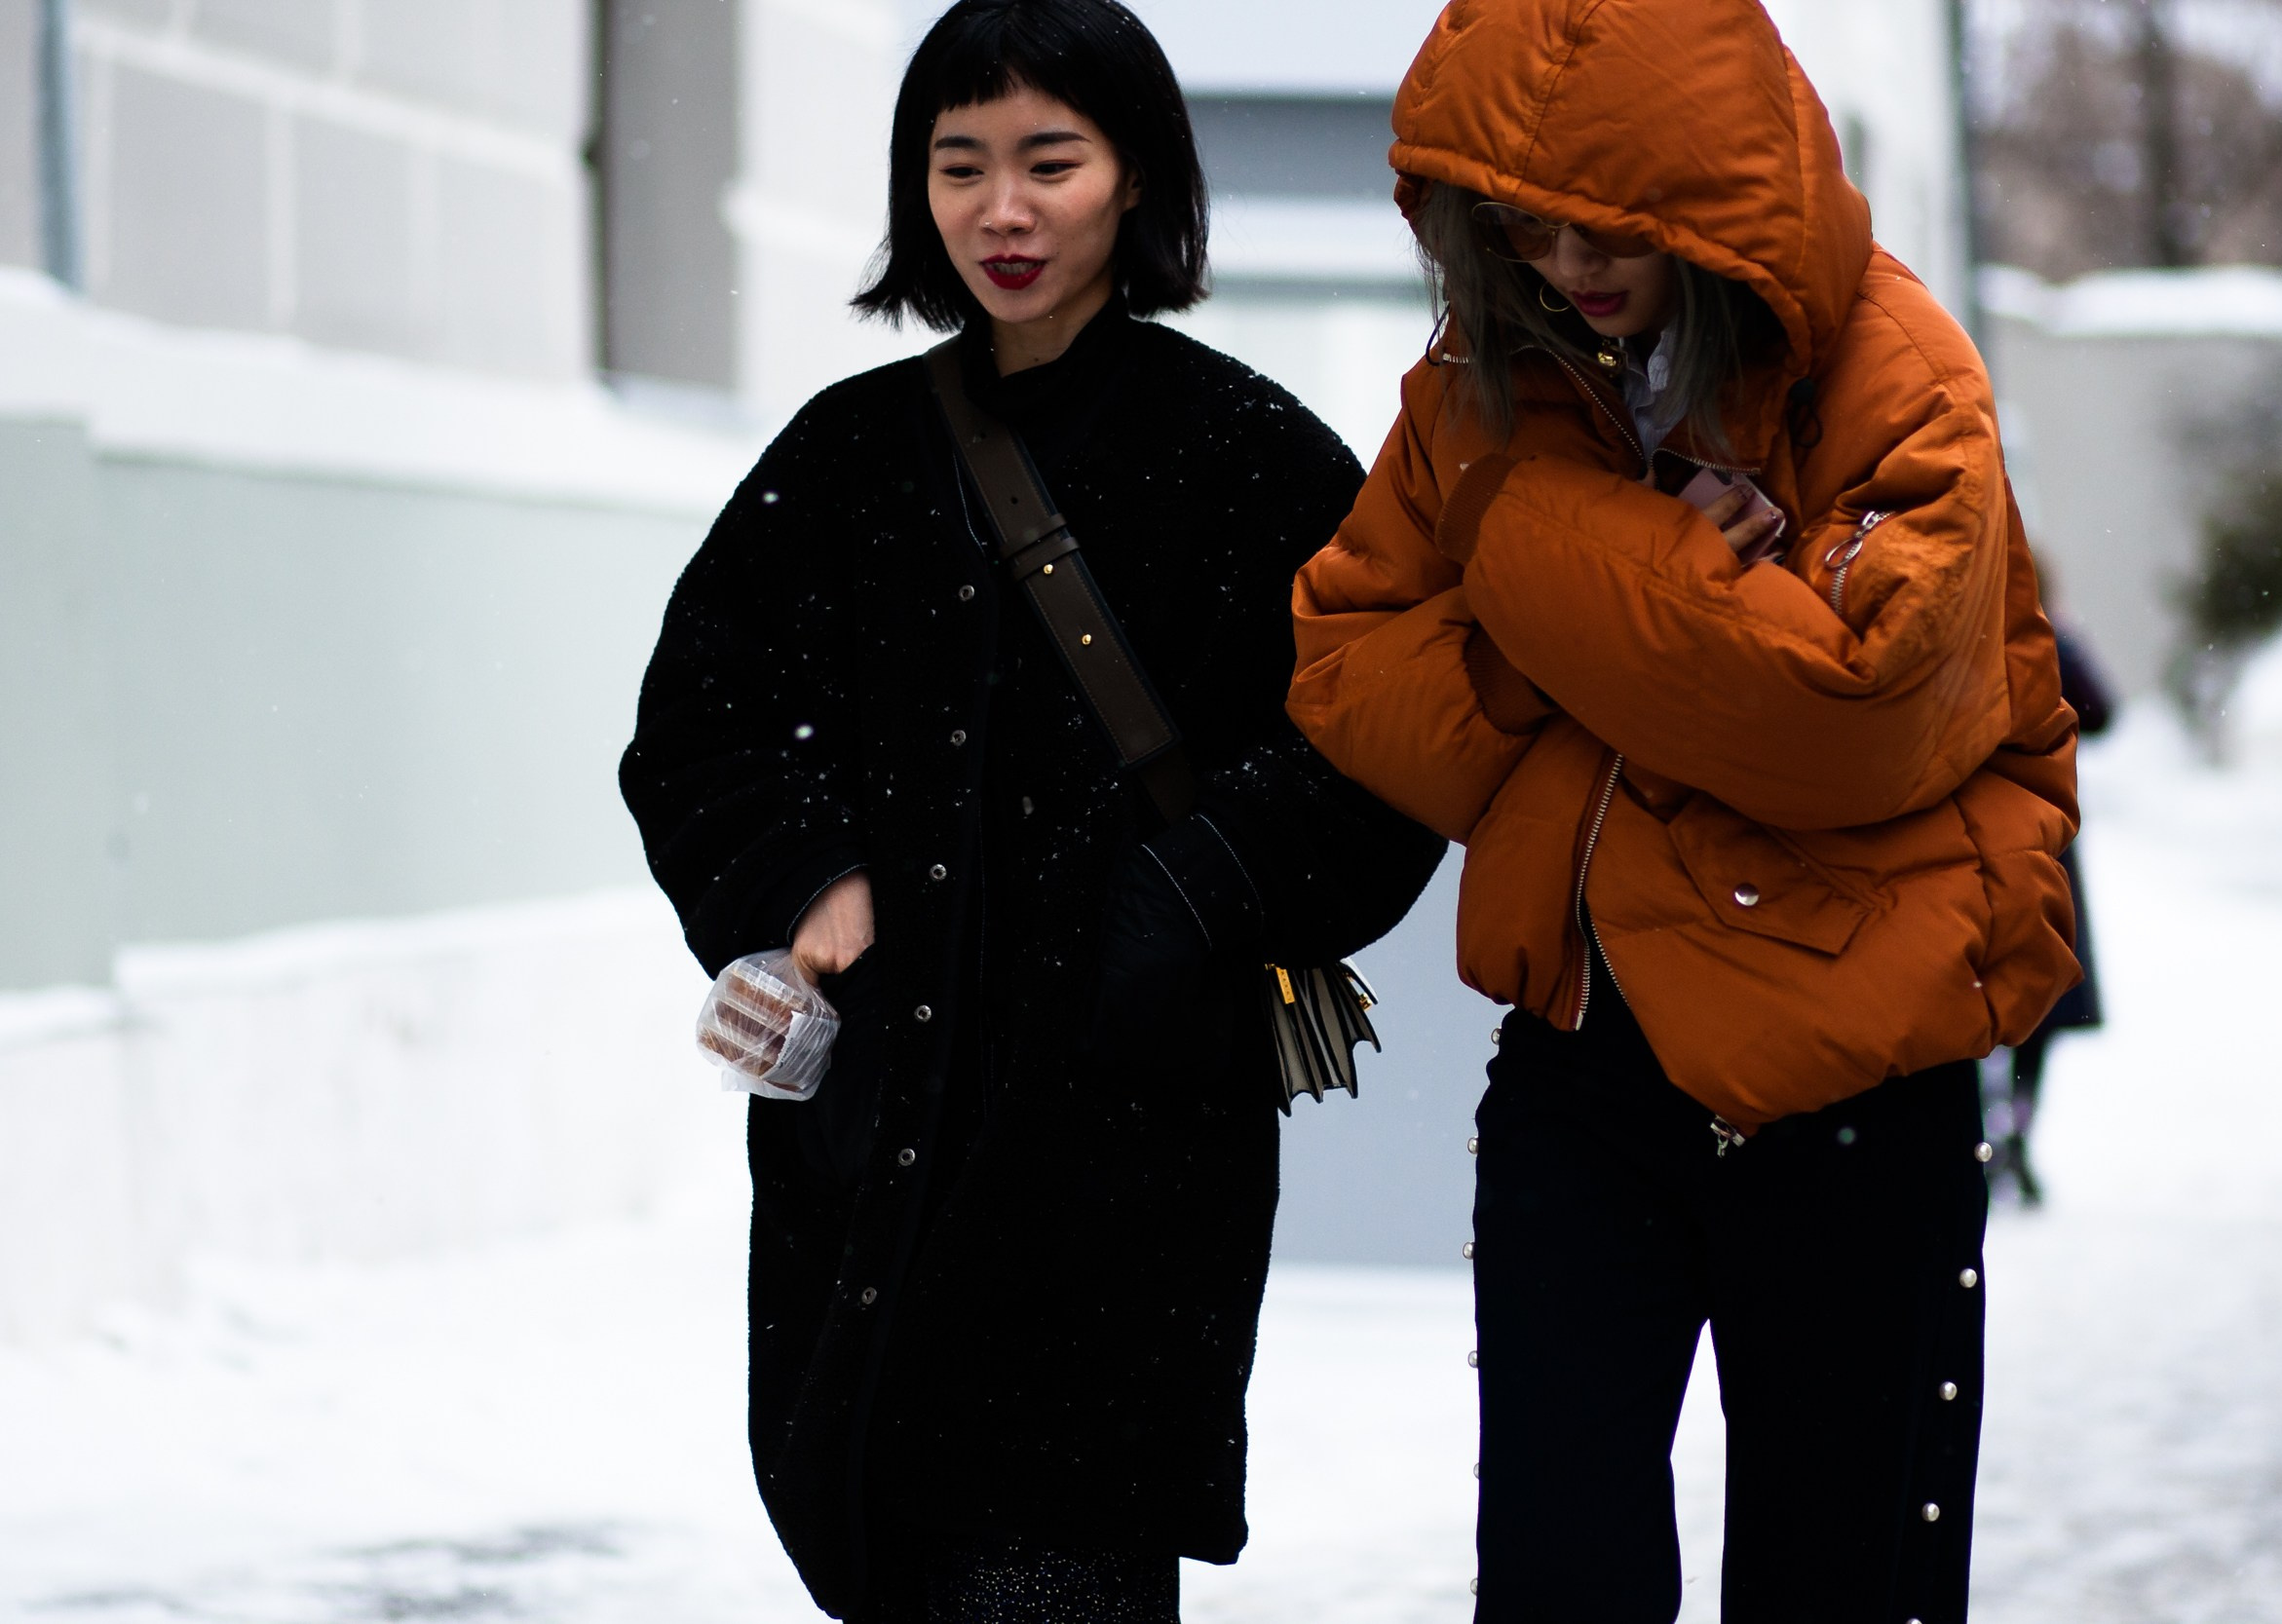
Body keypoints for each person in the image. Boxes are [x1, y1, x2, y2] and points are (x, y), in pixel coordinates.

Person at [619, 4, 1443, 1619]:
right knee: (892, 1537)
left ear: (1135, 179)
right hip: (879, 1150)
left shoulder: (1252, 457)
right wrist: (804, 881)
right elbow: (701, 721)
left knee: (1055, 1563)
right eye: (960, 164)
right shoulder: (850, 456)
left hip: (1122, 1172)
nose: (1002, 208)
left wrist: (1188, 903)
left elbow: (1389, 745)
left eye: (1049, 162)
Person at [1285, 2, 2082, 1619]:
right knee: (1561, 1582)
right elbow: (1350, 673)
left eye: (1619, 225)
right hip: (1584, 1072)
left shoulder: (1900, 371)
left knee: (1843, 1580)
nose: (1574, 264)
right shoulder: (1478, 396)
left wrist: (1528, 560)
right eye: (1529, 222)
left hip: (1859, 1076)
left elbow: (1853, 711)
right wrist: (1660, 589)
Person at [1992, 617, 2115, 1205]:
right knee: (2036, 997)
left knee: (1979, 994)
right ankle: (2014, 1127)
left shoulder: (1960, 630)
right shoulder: (2042, 636)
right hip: (2042, 829)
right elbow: (2100, 710)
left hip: (1973, 834)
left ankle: (1993, 1134)